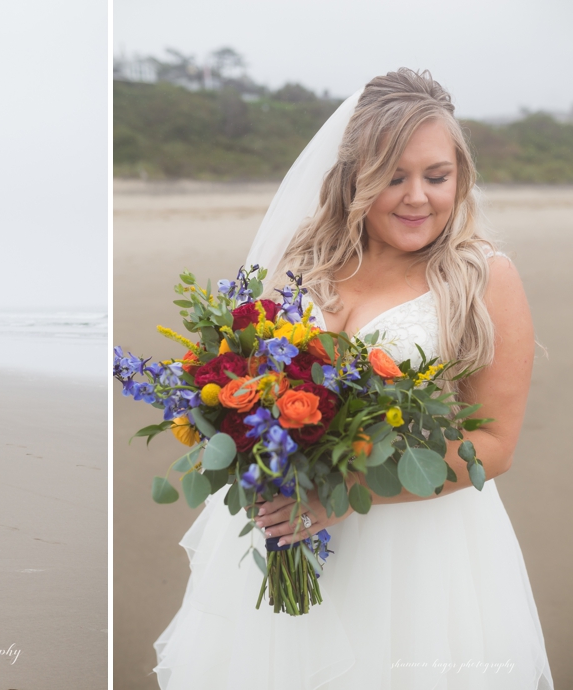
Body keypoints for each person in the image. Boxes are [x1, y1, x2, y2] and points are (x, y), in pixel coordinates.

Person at [153, 70, 553, 688]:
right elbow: (254, 378)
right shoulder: (304, 264)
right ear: (354, 177)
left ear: (460, 177)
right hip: (287, 529)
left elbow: (495, 446)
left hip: (417, 550)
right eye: (393, 176)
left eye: (436, 176)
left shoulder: (483, 277)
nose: (417, 197)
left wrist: (337, 494)